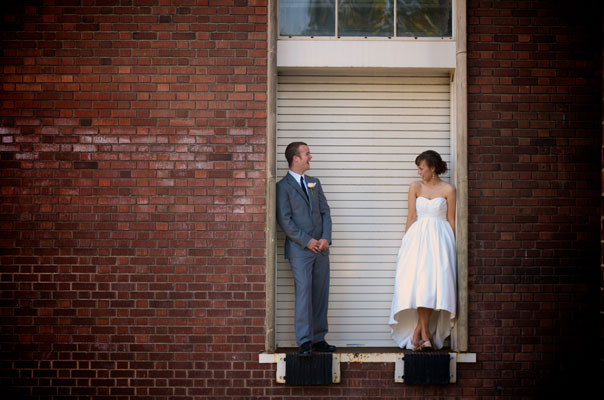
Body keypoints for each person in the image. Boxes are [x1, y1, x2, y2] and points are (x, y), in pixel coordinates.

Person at [389, 150, 457, 351]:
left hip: (440, 240)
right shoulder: (415, 187)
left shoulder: (449, 190)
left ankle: (421, 333)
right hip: (417, 239)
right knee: (419, 285)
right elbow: (411, 217)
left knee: (433, 287)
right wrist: (405, 244)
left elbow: (451, 220)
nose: (419, 173)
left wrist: (452, 247)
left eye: (421, 168)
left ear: (433, 168)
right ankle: (424, 334)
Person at [276, 142, 336, 355]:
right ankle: (304, 341)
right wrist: (306, 241)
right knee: (304, 293)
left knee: (320, 293)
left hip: (321, 248)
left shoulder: (314, 183)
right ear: (295, 158)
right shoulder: (282, 187)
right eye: (307, 153)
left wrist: (325, 238)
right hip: (300, 250)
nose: (310, 156)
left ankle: (319, 338)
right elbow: (284, 219)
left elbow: (325, 212)